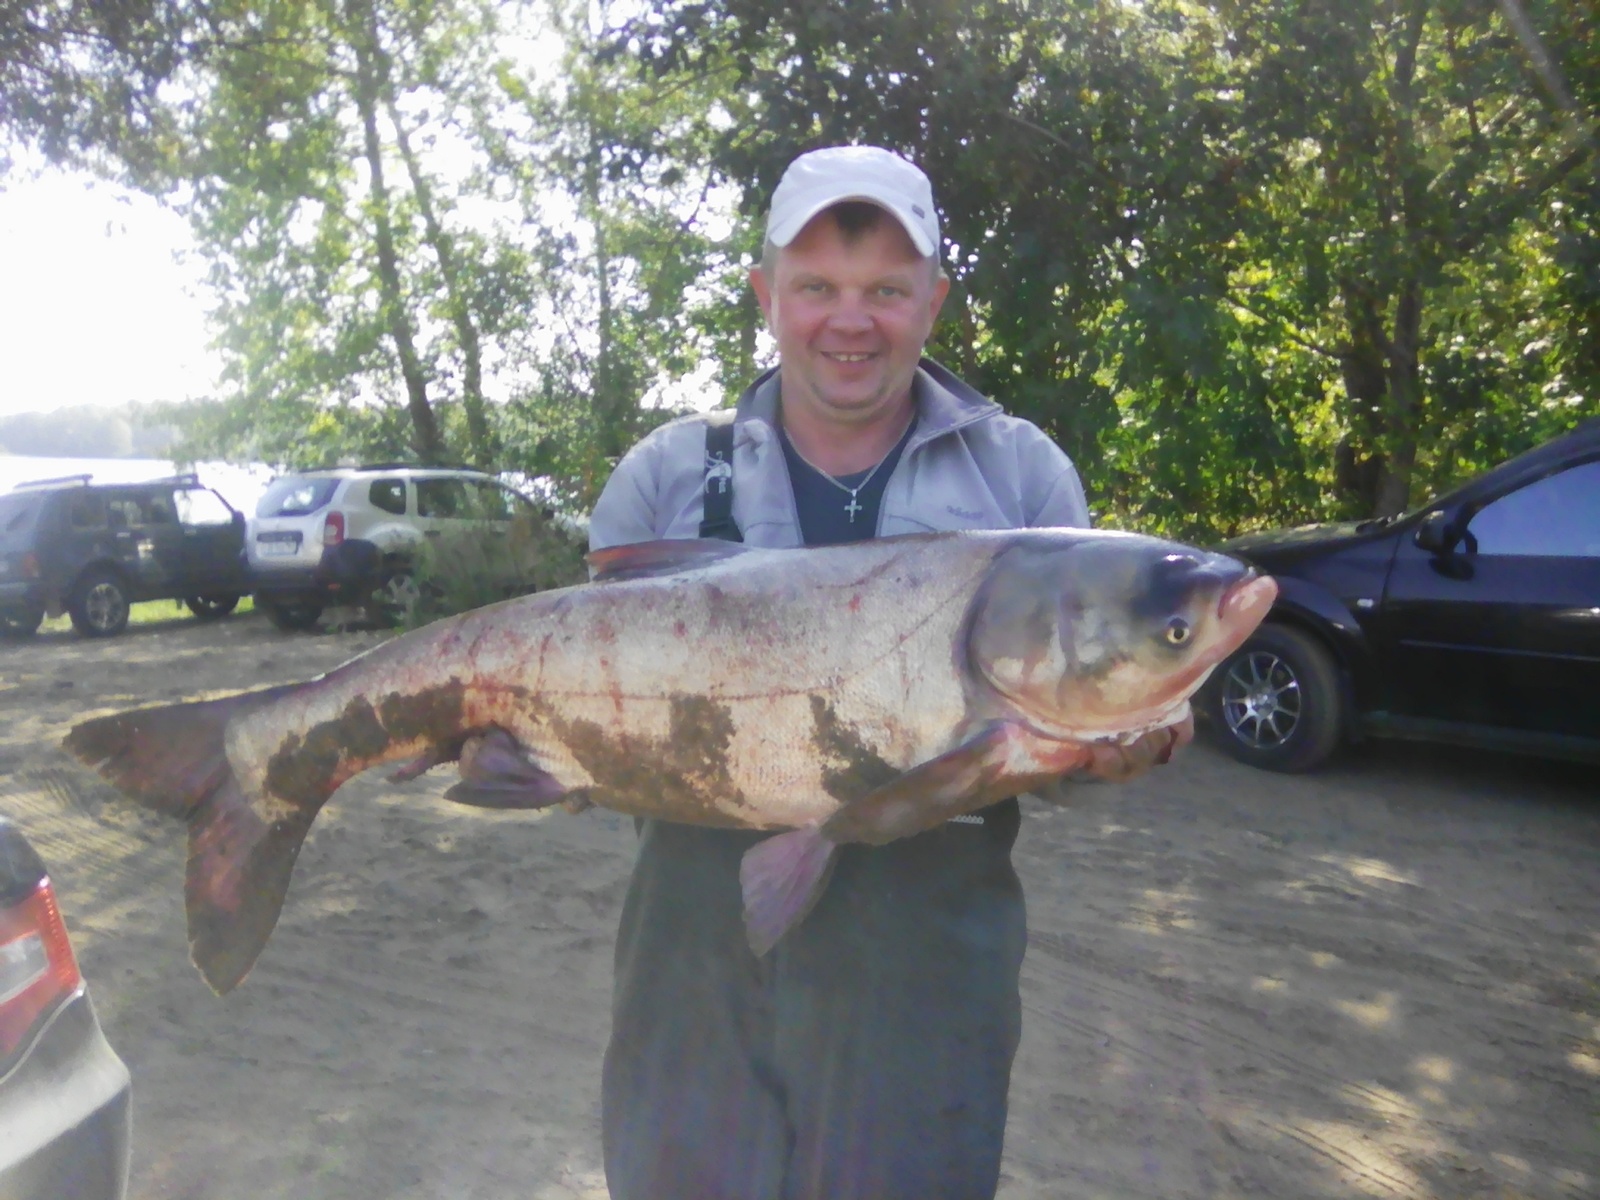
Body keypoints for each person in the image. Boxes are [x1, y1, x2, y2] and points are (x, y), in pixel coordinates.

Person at [587, 144, 1191, 1200]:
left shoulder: (1025, 481)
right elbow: (584, 717)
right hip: (692, 967)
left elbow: (1060, 723)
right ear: (765, 294)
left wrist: (1115, 739)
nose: (849, 321)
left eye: (884, 291)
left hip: (925, 979)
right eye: (816, 287)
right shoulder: (666, 477)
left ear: (934, 302)